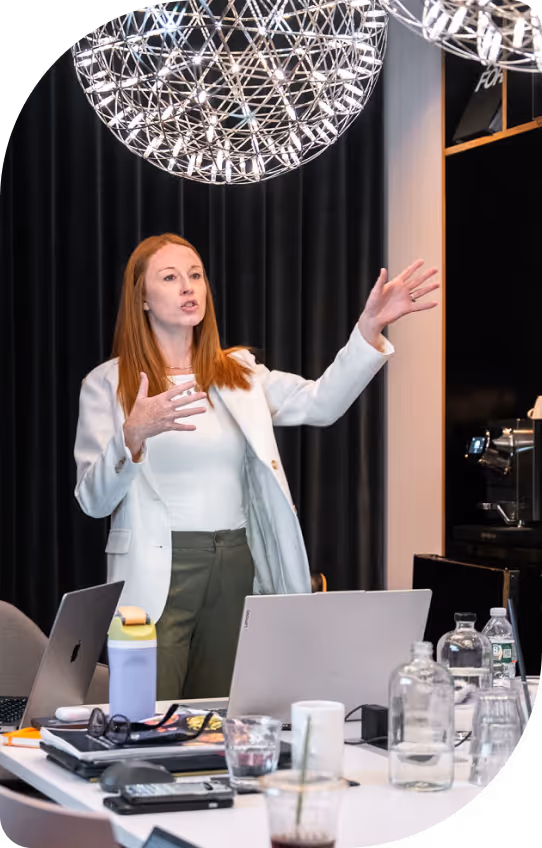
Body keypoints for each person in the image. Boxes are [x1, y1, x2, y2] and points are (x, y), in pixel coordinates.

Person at [74, 233, 438, 699]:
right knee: (146, 716)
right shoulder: (108, 383)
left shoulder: (239, 374)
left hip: (235, 562)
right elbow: (92, 500)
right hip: (156, 572)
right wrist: (133, 437)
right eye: (170, 278)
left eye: (196, 275)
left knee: (219, 715)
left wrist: (367, 331)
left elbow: (321, 402)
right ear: (142, 298)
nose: (189, 287)